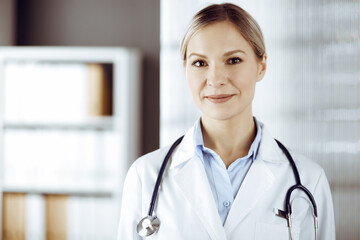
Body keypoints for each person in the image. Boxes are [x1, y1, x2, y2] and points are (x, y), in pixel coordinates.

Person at [117, 3, 335, 240]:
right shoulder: (145, 175)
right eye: (200, 63)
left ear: (261, 66)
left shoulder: (308, 180)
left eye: (233, 60)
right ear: (185, 69)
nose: (215, 79)